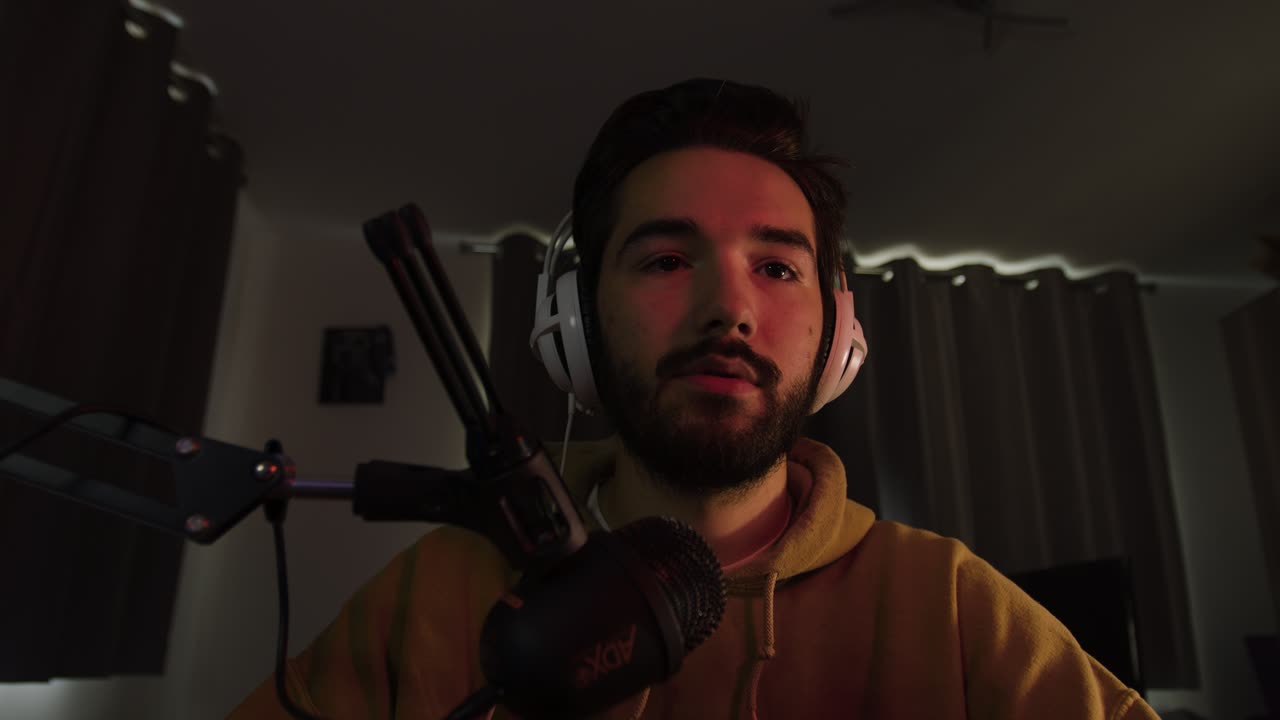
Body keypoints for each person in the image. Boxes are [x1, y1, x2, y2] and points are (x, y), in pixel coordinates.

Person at [230, 78, 1157, 719]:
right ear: (576, 322)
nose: (730, 310)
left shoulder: (956, 611)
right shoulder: (434, 593)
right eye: (669, 261)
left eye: (777, 266)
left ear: (837, 335)